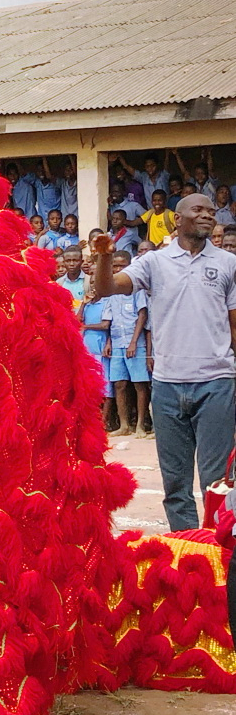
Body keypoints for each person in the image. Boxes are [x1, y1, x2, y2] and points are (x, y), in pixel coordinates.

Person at [94, 194, 236, 531]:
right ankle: (188, 549)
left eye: (211, 212)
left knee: (217, 483)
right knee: (175, 485)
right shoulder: (154, 262)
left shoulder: (229, 264)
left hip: (216, 383)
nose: (207, 216)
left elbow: (234, 325)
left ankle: (218, 555)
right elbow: (107, 288)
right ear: (177, 218)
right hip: (168, 385)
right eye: (198, 210)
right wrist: (104, 257)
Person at [103, 250, 150, 439]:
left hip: (134, 342)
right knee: (119, 384)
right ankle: (124, 425)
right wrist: (108, 342)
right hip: (116, 342)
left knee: (139, 384)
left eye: (122, 265)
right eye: (115, 265)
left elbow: (142, 314)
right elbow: (109, 319)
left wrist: (133, 342)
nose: (118, 269)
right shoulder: (111, 291)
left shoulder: (136, 289)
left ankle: (140, 425)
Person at [78, 281, 113, 427]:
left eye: (95, 282)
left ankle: (104, 421)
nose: (93, 286)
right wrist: (83, 304)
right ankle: (91, 420)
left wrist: (85, 326)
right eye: (91, 283)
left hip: (101, 346)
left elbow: (106, 325)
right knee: (89, 386)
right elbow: (77, 320)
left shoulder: (107, 302)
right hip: (87, 347)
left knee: (106, 386)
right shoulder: (88, 304)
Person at [57, 247, 86, 312]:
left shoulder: (88, 281)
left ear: (82, 262)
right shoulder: (59, 283)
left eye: (75, 261)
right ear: (64, 262)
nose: (71, 264)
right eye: (68, 261)